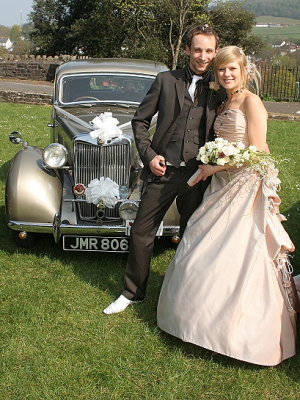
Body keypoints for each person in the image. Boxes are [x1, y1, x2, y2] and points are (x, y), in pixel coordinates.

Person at [157, 46, 300, 366]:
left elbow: (259, 150)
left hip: (243, 186)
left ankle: (236, 335)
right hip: (221, 183)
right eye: (221, 70)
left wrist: (214, 168)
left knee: (238, 251)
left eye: (232, 69)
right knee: (199, 239)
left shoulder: (251, 101)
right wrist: (213, 162)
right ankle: (193, 320)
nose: (227, 74)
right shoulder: (224, 102)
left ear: (245, 69)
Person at [103, 24, 226, 315]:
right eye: (197, 49)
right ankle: (132, 293)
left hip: (198, 175)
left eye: (209, 50)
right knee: (142, 231)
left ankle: (184, 294)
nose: (203, 56)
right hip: (163, 170)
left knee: (192, 233)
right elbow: (139, 121)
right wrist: (149, 155)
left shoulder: (221, 87)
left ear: (216, 52)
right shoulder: (165, 80)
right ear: (187, 50)